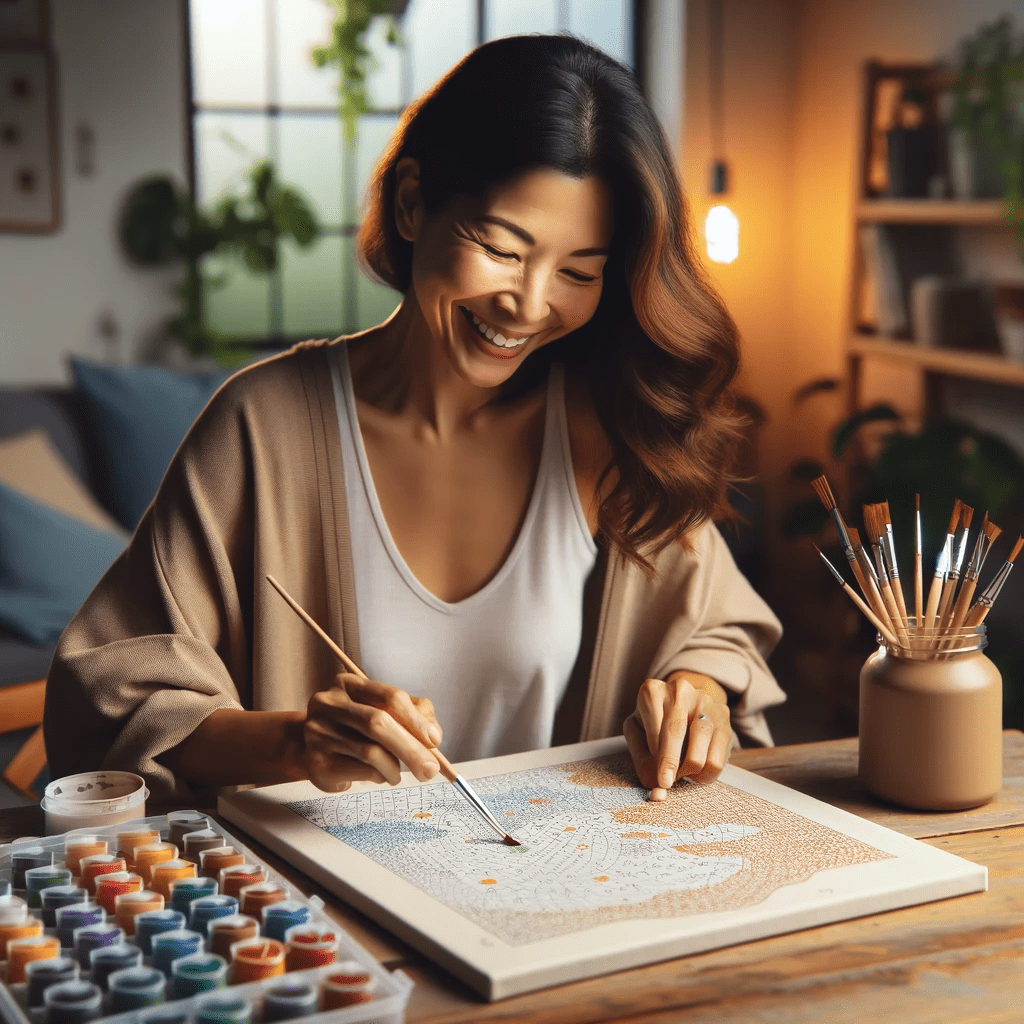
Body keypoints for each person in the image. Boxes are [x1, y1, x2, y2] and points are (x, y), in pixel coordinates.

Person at [45, 34, 784, 804]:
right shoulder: (264, 428)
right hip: (315, 910)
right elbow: (113, 696)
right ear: (410, 203)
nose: (528, 305)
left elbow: (718, 628)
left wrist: (694, 690)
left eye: (577, 272)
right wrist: (295, 741)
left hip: (564, 893)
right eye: (501, 248)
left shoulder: (611, 429)